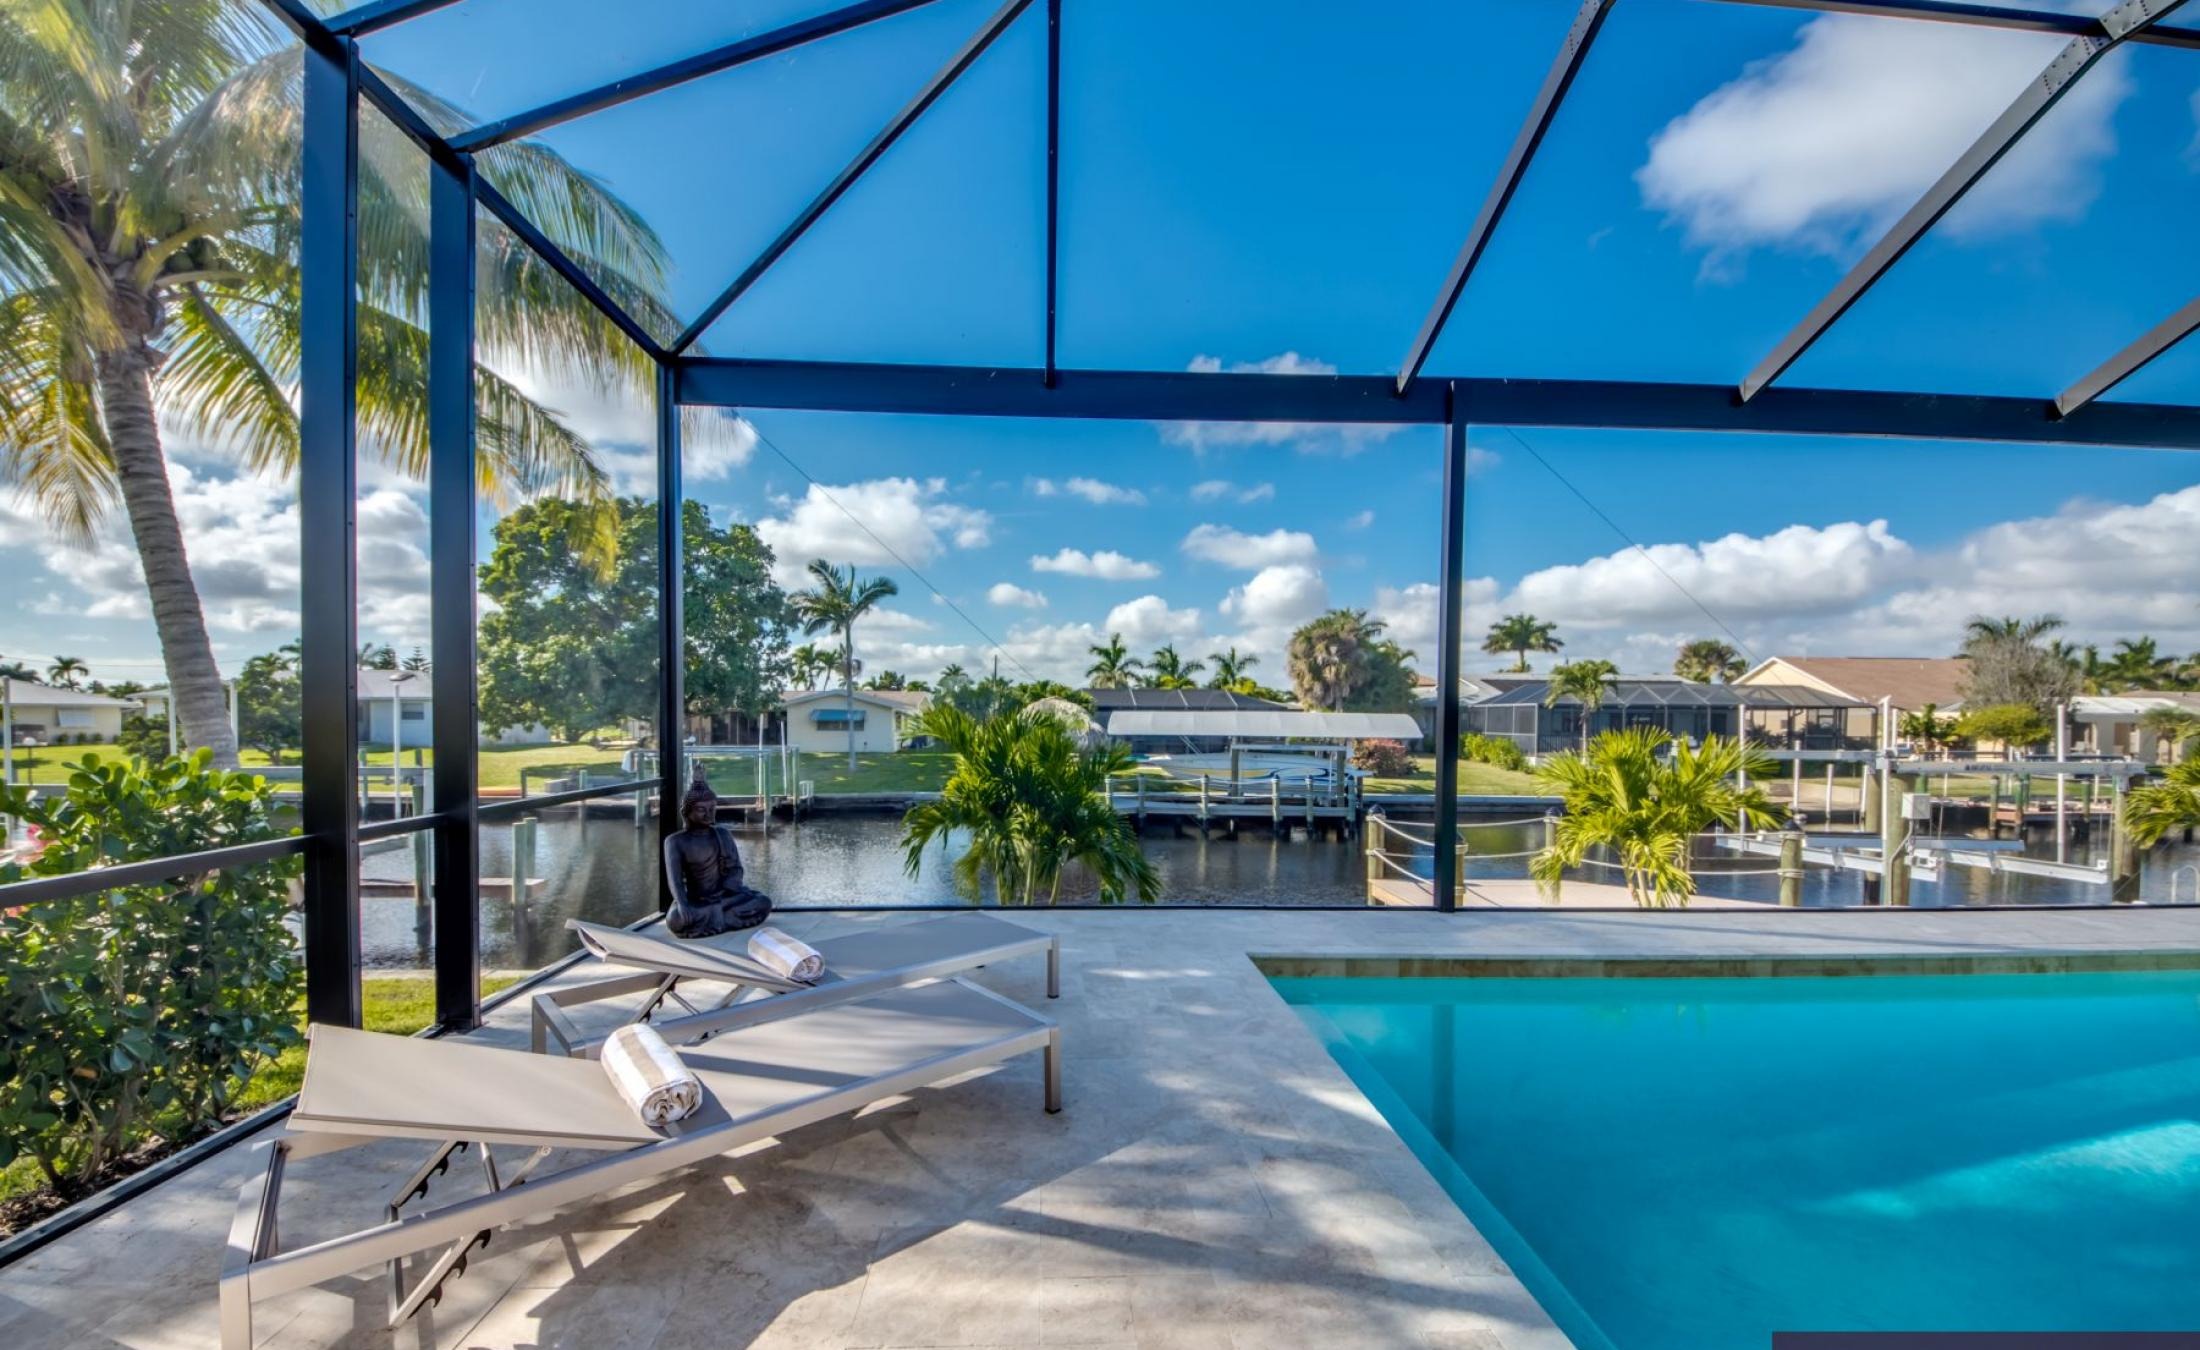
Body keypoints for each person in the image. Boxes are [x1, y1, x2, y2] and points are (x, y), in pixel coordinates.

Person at [662, 772, 773, 939]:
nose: (709, 814)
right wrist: (683, 905)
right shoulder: (675, 841)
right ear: (686, 811)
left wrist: (727, 889)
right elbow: (675, 881)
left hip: (725, 897)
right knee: (675, 920)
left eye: (712, 809)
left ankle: (715, 918)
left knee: (763, 902)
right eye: (701, 810)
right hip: (697, 899)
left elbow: (736, 869)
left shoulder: (722, 834)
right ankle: (726, 919)